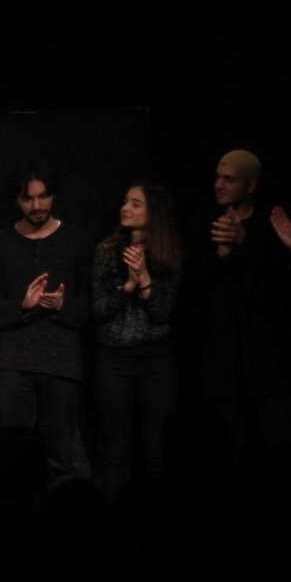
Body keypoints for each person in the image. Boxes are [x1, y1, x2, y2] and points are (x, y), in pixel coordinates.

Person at [186, 150, 291, 476]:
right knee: (229, 446)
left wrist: (247, 241)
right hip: (221, 355)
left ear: (251, 186)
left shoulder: (271, 224)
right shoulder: (204, 222)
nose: (219, 185)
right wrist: (222, 255)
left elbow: (284, 288)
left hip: (267, 355)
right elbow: (191, 284)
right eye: (217, 177)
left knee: (280, 438)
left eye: (229, 179)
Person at [0, 160, 91, 483]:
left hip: (61, 364)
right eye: (28, 198)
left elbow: (91, 308)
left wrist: (62, 305)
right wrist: (22, 305)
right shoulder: (0, 243)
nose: (36, 205)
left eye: (43, 196)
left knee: (59, 458)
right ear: (17, 200)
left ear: (53, 196)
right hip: (13, 365)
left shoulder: (76, 241)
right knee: (14, 456)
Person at [91, 183, 180, 503]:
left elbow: (162, 314)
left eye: (135, 203)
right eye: (125, 201)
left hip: (155, 359)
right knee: (115, 449)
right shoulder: (106, 251)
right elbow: (98, 312)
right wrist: (127, 286)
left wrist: (144, 280)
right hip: (114, 359)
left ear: (153, 212)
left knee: (157, 449)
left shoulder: (168, 253)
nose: (125, 208)